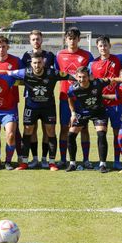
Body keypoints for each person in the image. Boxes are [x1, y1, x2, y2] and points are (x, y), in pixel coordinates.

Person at [8, 52, 72, 171]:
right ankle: (25, 162)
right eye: (34, 63)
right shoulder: (25, 72)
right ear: (31, 63)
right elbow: (8, 73)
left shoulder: (52, 73)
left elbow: (69, 76)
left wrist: (84, 79)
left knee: (50, 132)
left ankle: (51, 162)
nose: (37, 65)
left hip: (48, 107)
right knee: (28, 131)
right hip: (31, 107)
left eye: (39, 63)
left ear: (43, 62)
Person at [55, 27, 94, 169]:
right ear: (66, 39)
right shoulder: (59, 55)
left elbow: (91, 75)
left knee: (84, 128)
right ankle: (63, 159)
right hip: (65, 97)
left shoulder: (87, 56)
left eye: (75, 38)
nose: (72, 41)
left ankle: (86, 159)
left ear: (79, 39)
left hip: (82, 99)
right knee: (64, 128)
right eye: (69, 38)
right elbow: (56, 73)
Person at [21, 30, 56, 169]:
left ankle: (45, 159)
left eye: (38, 39)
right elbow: (22, 74)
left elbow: (56, 73)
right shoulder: (25, 56)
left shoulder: (50, 56)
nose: (36, 41)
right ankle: (34, 158)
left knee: (48, 129)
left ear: (42, 39)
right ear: (30, 41)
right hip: (31, 97)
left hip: (47, 98)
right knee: (31, 128)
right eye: (33, 39)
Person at [66, 67, 112, 173]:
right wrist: (73, 114)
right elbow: (70, 99)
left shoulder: (98, 83)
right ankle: (72, 163)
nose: (82, 79)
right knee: (71, 135)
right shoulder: (73, 88)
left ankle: (102, 164)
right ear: (76, 77)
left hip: (98, 112)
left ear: (89, 76)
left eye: (84, 77)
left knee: (101, 134)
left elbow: (112, 79)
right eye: (80, 77)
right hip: (82, 113)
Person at [90, 35, 122, 170]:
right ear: (97, 47)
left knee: (118, 133)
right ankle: (102, 162)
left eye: (105, 45)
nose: (103, 48)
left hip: (116, 103)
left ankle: (117, 161)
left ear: (109, 46)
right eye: (100, 46)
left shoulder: (119, 60)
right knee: (101, 133)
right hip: (100, 104)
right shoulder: (93, 64)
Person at [0, 36, 24, 166]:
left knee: (14, 131)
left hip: (11, 102)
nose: (1, 49)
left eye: (3, 47)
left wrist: (10, 78)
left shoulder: (16, 61)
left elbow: (24, 78)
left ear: (8, 47)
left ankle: (20, 156)